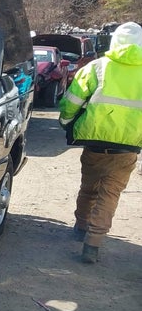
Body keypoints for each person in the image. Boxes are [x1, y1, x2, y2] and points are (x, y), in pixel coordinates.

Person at [58, 21, 142, 263]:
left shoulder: (97, 68)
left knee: (89, 187)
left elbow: (72, 100)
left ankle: (81, 226)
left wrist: (66, 121)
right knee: (110, 193)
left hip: (94, 142)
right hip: (127, 147)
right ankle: (92, 245)